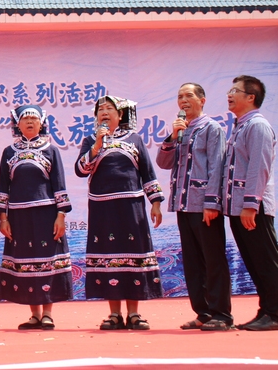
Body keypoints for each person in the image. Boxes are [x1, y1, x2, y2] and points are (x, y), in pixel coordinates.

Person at [74, 96, 164, 330]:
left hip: (131, 207)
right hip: (102, 208)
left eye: (109, 109)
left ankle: (134, 313)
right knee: (108, 257)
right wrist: (96, 146)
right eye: (100, 110)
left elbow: (147, 171)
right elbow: (81, 170)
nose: (104, 112)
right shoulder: (90, 140)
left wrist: (154, 202)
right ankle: (114, 314)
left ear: (120, 115)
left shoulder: (134, 139)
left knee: (132, 256)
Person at [156, 83, 231, 331]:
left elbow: (217, 166)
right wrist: (172, 137)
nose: (183, 100)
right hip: (182, 204)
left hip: (204, 205)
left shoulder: (212, 128)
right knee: (193, 262)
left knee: (213, 259)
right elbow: (163, 163)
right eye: (179, 96)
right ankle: (203, 312)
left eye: (189, 95)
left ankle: (221, 314)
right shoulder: (181, 130)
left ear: (202, 100)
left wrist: (212, 202)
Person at [0, 105, 72, 330]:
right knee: (26, 261)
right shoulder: (9, 151)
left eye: (34, 118)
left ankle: (47, 313)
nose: (30, 122)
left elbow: (59, 184)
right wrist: (3, 218)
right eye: (25, 118)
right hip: (19, 216)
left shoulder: (51, 149)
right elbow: (3, 188)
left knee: (47, 261)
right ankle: (34, 314)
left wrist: (60, 216)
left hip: (46, 213)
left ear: (41, 123)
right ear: (17, 125)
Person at [219, 75, 278, 331]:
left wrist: (250, 205)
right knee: (254, 261)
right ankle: (266, 310)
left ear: (250, 97)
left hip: (254, 208)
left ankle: (275, 313)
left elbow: (259, 168)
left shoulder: (257, 126)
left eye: (235, 90)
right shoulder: (240, 126)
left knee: (266, 260)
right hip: (239, 207)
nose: (229, 95)